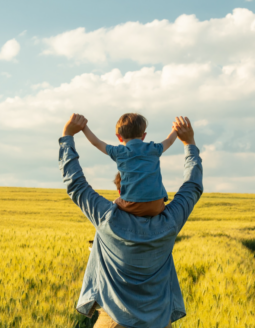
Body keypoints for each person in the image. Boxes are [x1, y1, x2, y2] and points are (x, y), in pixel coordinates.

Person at [59, 114, 203, 328]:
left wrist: (67, 136)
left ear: (121, 189)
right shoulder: (169, 222)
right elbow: (192, 187)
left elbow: (76, 184)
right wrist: (189, 144)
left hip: (112, 322)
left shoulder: (106, 218)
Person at [82, 113, 178, 217]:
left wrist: (84, 127)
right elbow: (169, 141)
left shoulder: (119, 151)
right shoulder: (153, 148)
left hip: (133, 205)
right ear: (143, 136)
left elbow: (97, 142)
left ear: (119, 137)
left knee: (113, 204)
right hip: (157, 205)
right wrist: (176, 129)